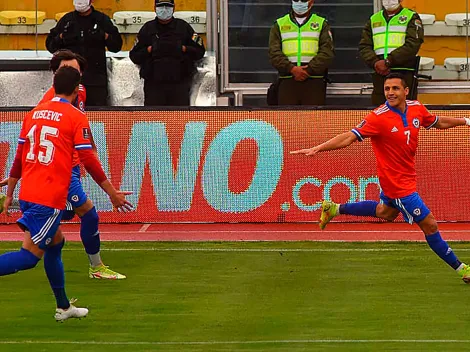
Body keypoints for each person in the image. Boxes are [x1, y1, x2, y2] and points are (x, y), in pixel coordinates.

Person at [291, 73, 470, 283]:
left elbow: (437, 122)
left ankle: (334, 208)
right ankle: (462, 269)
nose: (390, 93)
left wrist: (465, 120)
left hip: (406, 178)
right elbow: (349, 136)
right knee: (430, 224)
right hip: (398, 185)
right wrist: (318, 148)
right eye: (387, 89)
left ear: (405, 91)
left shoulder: (416, 108)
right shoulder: (378, 116)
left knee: (385, 212)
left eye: (395, 88)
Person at [0, 66, 133, 321]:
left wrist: (11, 191)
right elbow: (89, 160)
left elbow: (19, 156)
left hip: (29, 191)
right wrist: (112, 192)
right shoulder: (74, 116)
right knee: (28, 257)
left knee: (56, 242)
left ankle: (63, 307)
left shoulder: (33, 114)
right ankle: (64, 306)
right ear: (76, 90)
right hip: (47, 197)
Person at [45, 0, 123, 106]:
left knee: (97, 115)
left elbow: (117, 46)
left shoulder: (101, 19)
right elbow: (50, 46)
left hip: (95, 81)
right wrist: (62, 37)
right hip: (70, 82)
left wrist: (104, 36)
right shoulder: (67, 20)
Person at [129, 0, 206, 106]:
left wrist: (183, 49)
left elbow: (200, 51)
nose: (164, 9)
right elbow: (134, 55)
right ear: (154, 7)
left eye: (168, 6)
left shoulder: (183, 28)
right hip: (154, 86)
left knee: (178, 119)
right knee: (154, 119)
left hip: (179, 84)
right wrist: (149, 50)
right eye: (161, 6)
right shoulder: (147, 29)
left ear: (173, 8)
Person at [268, 0, 334, 106]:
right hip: (287, 81)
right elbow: (274, 52)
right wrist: (292, 69)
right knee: (288, 120)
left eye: (303, 0)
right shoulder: (279, 24)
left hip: (314, 82)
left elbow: (327, 52)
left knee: (313, 120)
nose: (299, 2)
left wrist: (309, 70)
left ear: (311, 2)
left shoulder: (322, 23)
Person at [359, 0, 424, 105]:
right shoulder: (373, 19)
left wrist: (389, 61)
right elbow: (364, 46)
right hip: (380, 74)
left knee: (405, 110)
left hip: (404, 72)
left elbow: (413, 44)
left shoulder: (411, 17)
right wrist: (375, 62)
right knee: (379, 111)